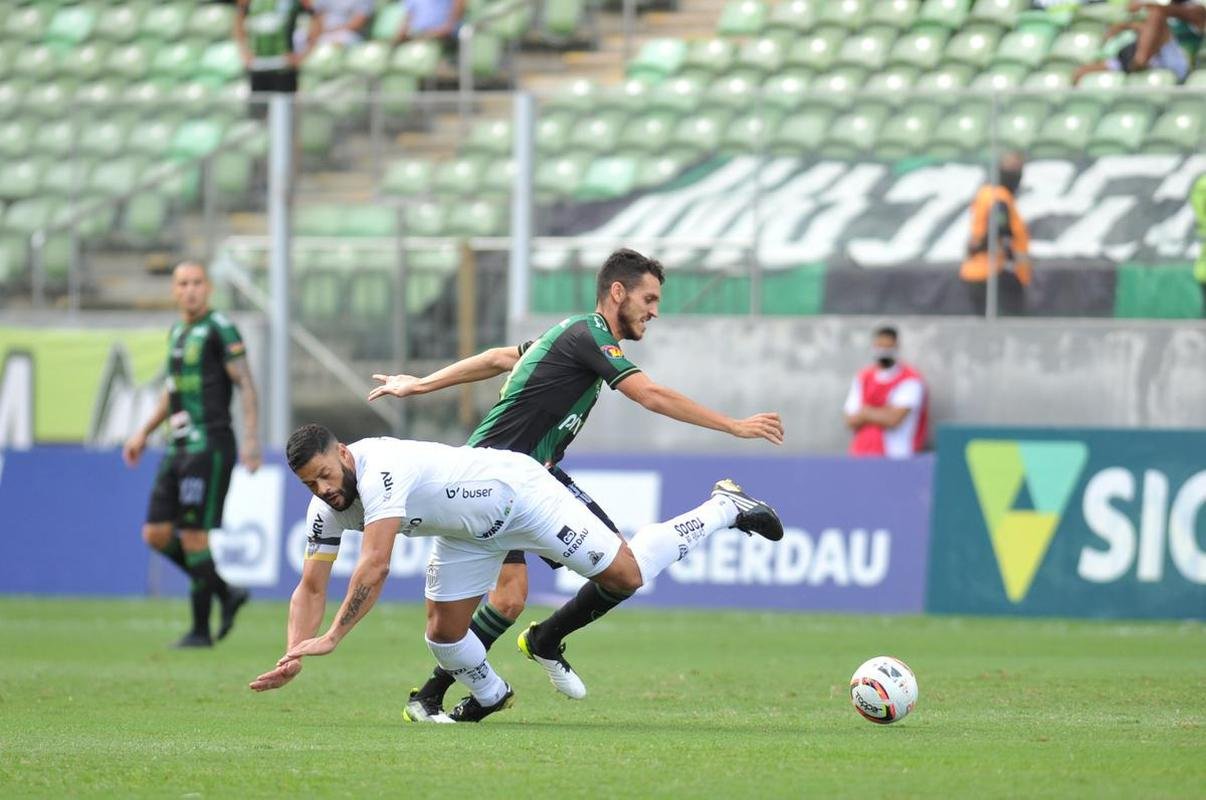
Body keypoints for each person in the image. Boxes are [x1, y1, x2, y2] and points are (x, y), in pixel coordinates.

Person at [367, 247, 785, 721]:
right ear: (617, 291)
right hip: (504, 480)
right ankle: (722, 508)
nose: (654, 311)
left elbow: (498, 357)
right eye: (649, 298)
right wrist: (734, 426)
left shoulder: (568, 334)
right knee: (625, 573)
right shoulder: (589, 334)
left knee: (508, 598)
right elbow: (647, 394)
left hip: (510, 478)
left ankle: (435, 695)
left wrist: (420, 384)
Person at [248, 424, 782, 724]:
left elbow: (376, 562)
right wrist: (294, 650)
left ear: (342, 454)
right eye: (309, 484)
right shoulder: (327, 507)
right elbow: (311, 585)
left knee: (628, 576)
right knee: (443, 633)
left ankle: (724, 507)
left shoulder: (380, 468)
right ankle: (490, 694)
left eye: (324, 475)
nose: (323, 490)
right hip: (467, 534)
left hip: (522, 499)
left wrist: (334, 636)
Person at [123, 261, 262, 647]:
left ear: (209, 287)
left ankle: (200, 631)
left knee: (193, 534)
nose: (190, 290)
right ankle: (225, 591)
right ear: (174, 290)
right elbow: (172, 393)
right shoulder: (178, 332)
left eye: (197, 282)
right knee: (155, 533)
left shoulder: (219, 328)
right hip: (178, 445)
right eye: (183, 284)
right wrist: (142, 433)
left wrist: (252, 439)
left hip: (210, 445)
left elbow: (246, 384)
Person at [960, 151, 1031, 316]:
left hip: (976, 271)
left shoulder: (984, 194)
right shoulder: (1000, 197)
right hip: (994, 274)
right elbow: (999, 228)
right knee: (1010, 329)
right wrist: (1009, 260)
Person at [843, 325, 929, 459]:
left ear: (896, 347)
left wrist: (865, 412)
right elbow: (850, 419)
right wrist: (881, 413)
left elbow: (893, 419)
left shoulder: (910, 379)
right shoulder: (863, 377)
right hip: (861, 455)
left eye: (887, 347)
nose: (883, 351)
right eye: (880, 346)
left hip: (896, 457)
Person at [1073, 0, 1204, 85]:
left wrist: (1144, 5)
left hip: (1178, 61)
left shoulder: (1197, 9)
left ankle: (1139, 61)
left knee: (1155, 15)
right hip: (1152, 56)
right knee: (1082, 72)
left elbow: (1161, 11)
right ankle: (1136, 61)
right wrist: (1125, 26)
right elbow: (1150, 30)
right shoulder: (1162, 15)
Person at [302, 0, 375, 49]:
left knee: (338, 40)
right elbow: (318, 16)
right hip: (324, 32)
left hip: (349, 34)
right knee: (300, 37)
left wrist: (331, 31)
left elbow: (358, 22)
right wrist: (315, 34)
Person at [392, 0, 466, 45]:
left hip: (444, 42)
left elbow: (450, 27)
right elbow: (406, 21)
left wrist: (431, 35)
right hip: (415, 38)